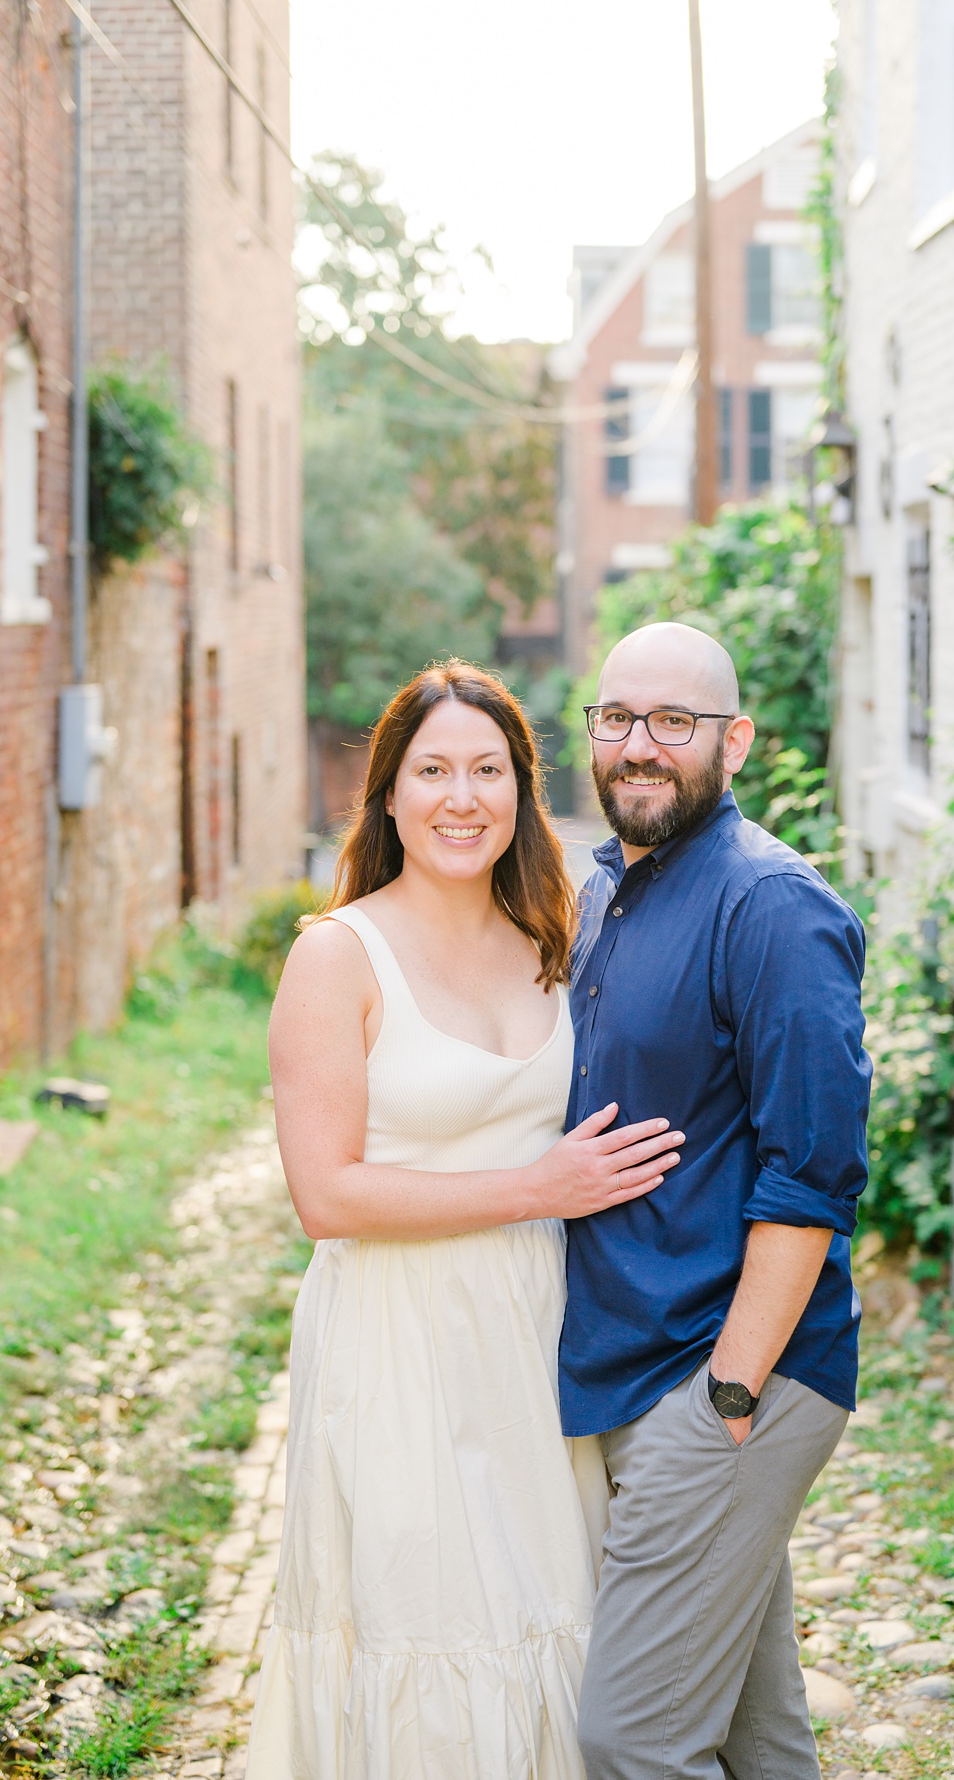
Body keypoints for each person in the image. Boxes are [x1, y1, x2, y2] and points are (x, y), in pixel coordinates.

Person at [245, 662, 686, 1778]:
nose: (461, 796)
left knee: (554, 1617)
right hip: (396, 1338)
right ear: (388, 795)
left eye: (488, 769)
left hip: (541, 1335)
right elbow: (326, 1195)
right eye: (431, 770)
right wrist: (536, 1188)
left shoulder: (561, 934)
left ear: (522, 789)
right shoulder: (335, 954)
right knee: (427, 1627)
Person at [565, 623, 868, 1780]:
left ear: (732, 741)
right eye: (618, 719)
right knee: (756, 1739)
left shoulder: (773, 905)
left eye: (674, 723)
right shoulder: (607, 896)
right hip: (639, 1369)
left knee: (634, 1737)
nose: (641, 746)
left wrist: (729, 1398)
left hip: (728, 1370)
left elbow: (814, 1173)